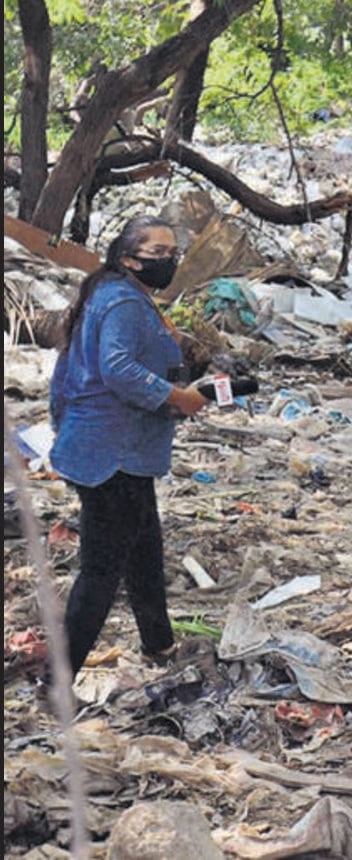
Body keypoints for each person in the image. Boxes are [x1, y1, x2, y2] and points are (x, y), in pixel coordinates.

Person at [46, 216, 207, 689]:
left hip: (117, 449)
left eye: (172, 251)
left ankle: (158, 642)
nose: (167, 261)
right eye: (156, 252)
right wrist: (179, 399)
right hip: (110, 454)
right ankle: (56, 683)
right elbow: (117, 369)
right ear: (126, 256)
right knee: (100, 572)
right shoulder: (121, 302)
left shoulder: (120, 295)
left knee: (144, 547)